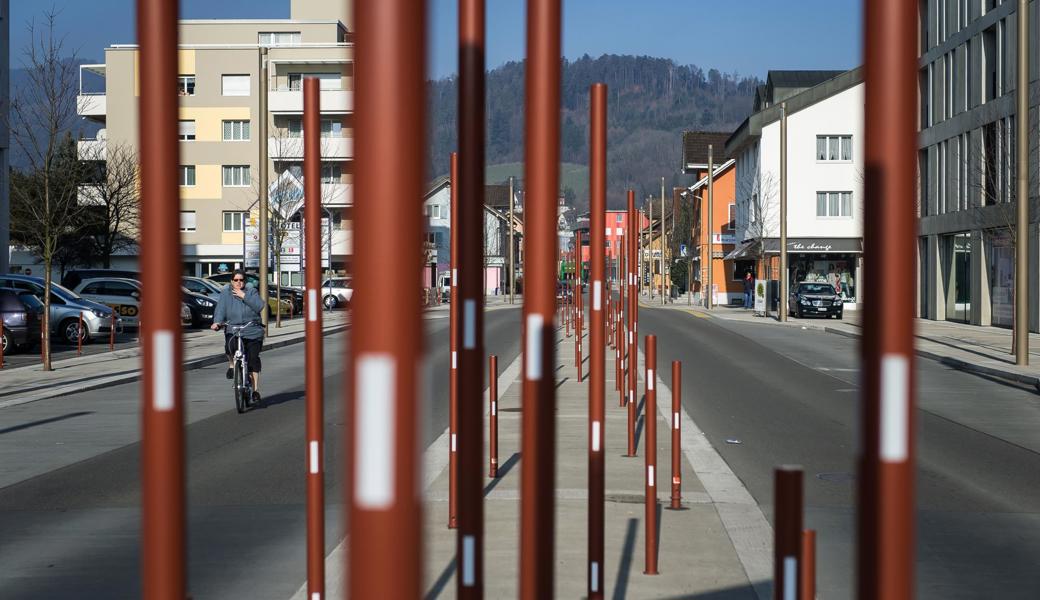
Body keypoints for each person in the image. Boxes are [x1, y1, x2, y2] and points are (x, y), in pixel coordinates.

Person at [211, 270, 266, 404]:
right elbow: (221, 309)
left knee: (253, 359)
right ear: (231, 281)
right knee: (229, 348)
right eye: (235, 280)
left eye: (241, 280)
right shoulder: (225, 293)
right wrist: (217, 322)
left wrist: (244, 296)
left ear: (245, 281)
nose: (238, 282)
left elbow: (260, 306)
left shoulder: (251, 292)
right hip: (234, 328)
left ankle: (255, 390)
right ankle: (232, 365)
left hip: (252, 329)